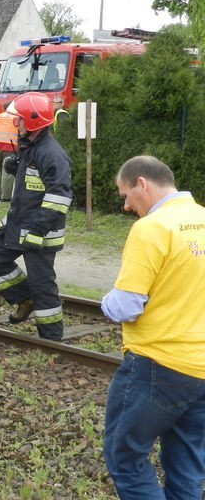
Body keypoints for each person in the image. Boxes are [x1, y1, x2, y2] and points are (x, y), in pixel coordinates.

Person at [101, 156, 205, 499]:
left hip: (158, 365)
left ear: (142, 183)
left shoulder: (151, 229)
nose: (127, 205)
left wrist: (107, 302)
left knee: (124, 458)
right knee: (186, 468)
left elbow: (127, 306)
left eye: (126, 194)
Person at [0, 92, 72, 341]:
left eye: (19, 119)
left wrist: (37, 231)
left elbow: (60, 197)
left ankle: (52, 341)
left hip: (39, 233)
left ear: (32, 122)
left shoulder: (51, 154)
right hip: (18, 224)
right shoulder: (30, 146)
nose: (16, 123)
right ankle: (24, 298)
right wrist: (16, 165)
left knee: (43, 285)